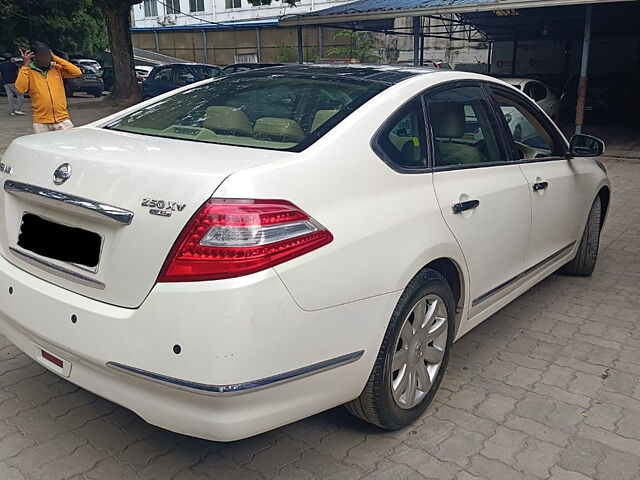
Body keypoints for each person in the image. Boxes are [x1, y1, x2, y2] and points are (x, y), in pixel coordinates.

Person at [15, 42, 82, 133]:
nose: (45, 59)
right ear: (34, 57)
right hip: (41, 122)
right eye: (42, 56)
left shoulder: (56, 69)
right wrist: (25, 66)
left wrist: (55, 58)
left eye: (47, 55)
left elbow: (77, 72)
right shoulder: (28, 71)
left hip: (62, 119)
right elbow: (20, 89)